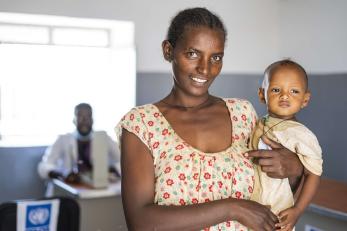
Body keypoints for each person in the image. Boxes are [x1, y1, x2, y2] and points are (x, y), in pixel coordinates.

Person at [116, 7, 304, 231]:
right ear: (168, 51)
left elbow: (275, 191)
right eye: (193, 54)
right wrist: (233, 208)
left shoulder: (243, 114)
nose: (205, 69)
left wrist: (294, 170)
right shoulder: (142, 125)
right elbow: (141, 222)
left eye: (216, 57)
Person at [249, 59, 323, 230]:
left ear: (305, 99)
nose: (284, 96)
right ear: (262, 95)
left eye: (294, 91)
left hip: (277, 213)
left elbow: (313, 174)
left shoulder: (302, 135)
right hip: (249, 207)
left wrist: (297, 209)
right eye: (276, 90)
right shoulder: (257, 123)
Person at [38, 103, 121, 184]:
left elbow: (123, 160)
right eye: (80, 116)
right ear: (74, 120)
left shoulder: (104, 138)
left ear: (92, 120)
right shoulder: (63, 139)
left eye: (88, 116)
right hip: (70, 189)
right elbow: (44, 166)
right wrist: (62, 174)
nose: (84, 120)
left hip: (96, 189)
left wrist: (111, 169)